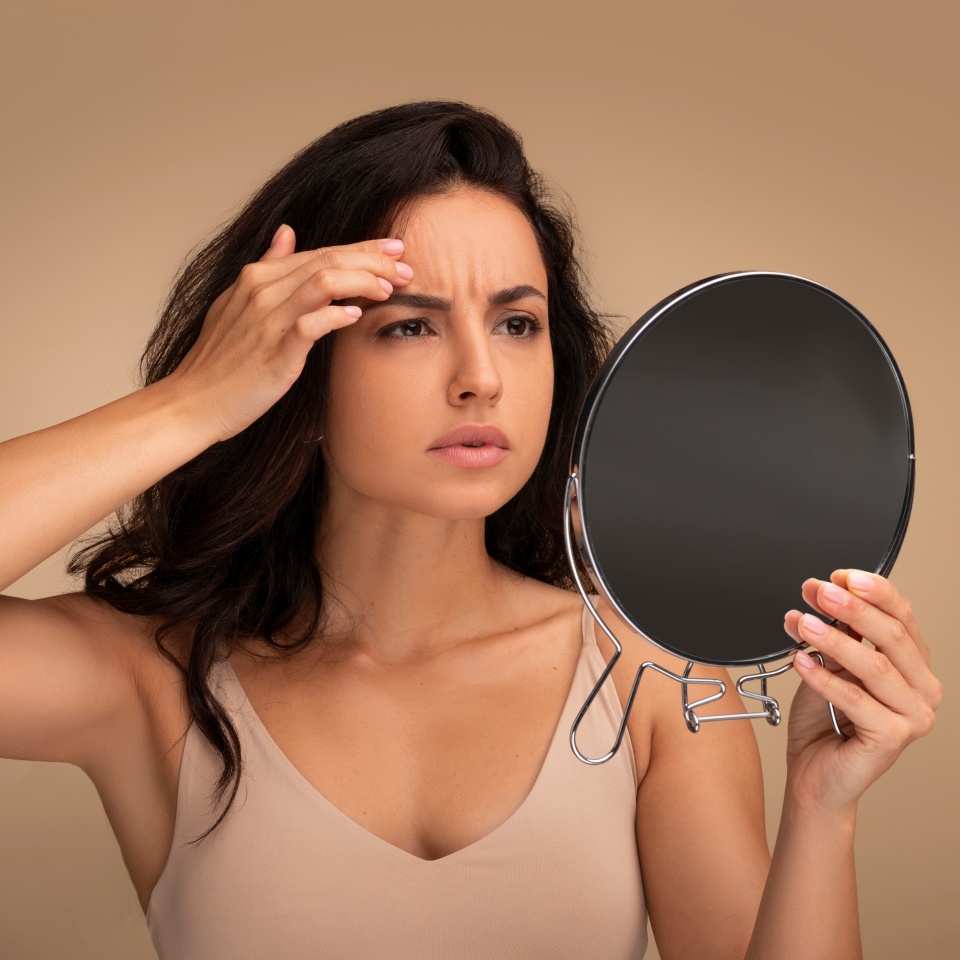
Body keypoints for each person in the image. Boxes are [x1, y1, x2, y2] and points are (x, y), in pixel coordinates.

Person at [0, 100, 941, 960]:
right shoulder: (149, 677)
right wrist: (194, 402)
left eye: (517, 324)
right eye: (410, 326)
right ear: (297, 369)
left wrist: (822, 806)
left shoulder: (645, 675)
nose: (481, 378)